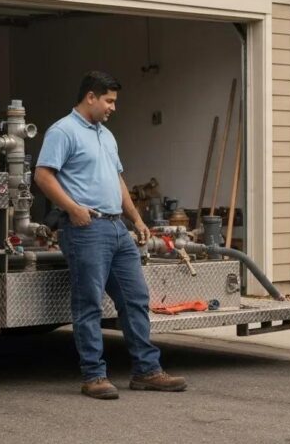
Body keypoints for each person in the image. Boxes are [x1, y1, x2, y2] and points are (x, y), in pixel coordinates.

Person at [34, 70, 186, 400]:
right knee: (88, 303)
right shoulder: (64, 131)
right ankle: (94, 376)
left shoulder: (106, 135)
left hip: (118, 228)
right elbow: (43, 176)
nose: (113, 107)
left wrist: (135, 219)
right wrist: (73, 209)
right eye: (109, 100)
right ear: (91, 96)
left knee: (135, 299)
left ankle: (147, 370)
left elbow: (118, 181)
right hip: (86, 230)